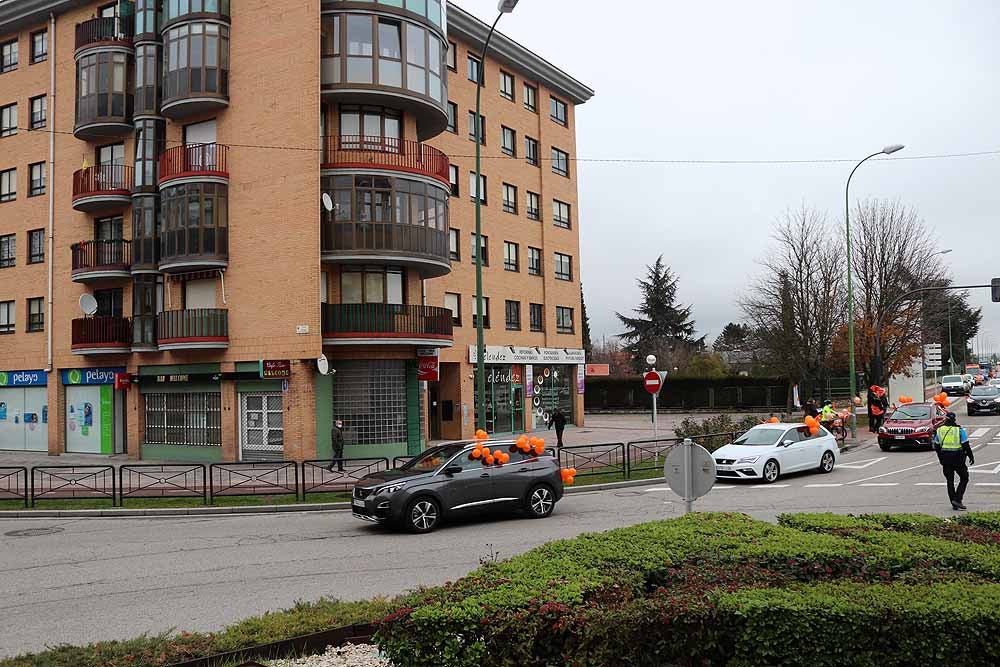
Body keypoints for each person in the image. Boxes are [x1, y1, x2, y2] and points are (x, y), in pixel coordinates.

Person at [933, 412, 974, 511]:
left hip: (945, 459)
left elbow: (937, 446)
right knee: (964, 478)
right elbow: (966, 445)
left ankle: (954, 502)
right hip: (958, 458)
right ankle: (957, 499)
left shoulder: (940, 430)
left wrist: (941, 458)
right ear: (954, 420)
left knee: (950, 481)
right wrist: (971, 456)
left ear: (945, 420)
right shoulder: (959, 430)